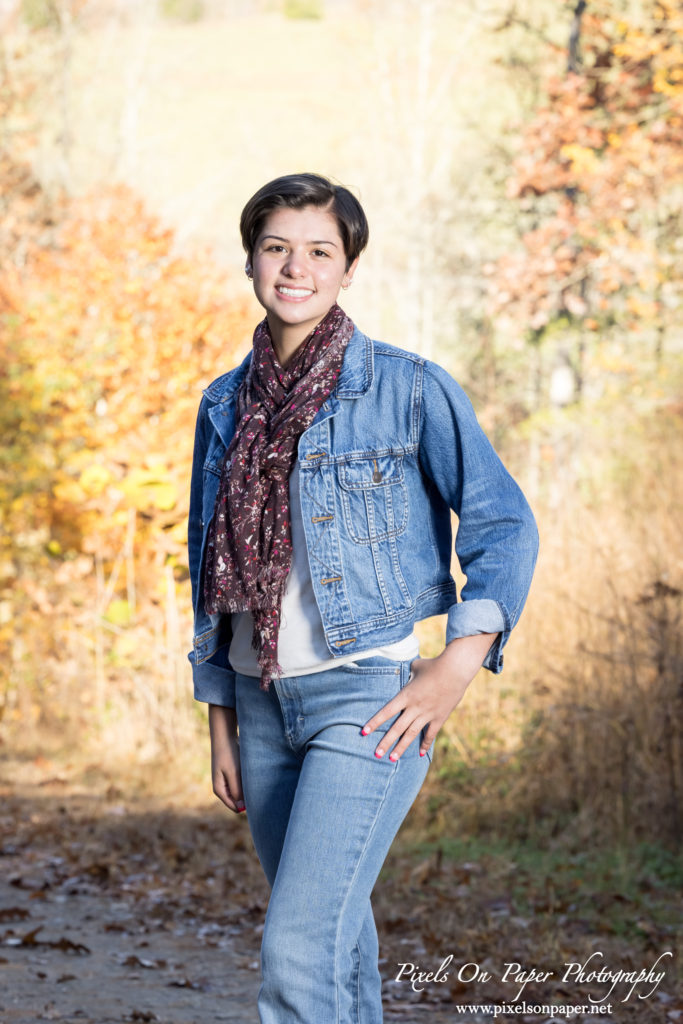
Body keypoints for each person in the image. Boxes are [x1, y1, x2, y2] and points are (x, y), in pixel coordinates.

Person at [187, 172, 538, 1024]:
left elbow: (503, 523)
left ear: (348, 269)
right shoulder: (224, 403)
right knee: (334, 939)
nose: (294, 267)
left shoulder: (407, 388)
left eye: (318, 251)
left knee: (298, 945)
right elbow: (207, 568)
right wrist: (221, 717)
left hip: (369, 701)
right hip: (260, 705)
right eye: (275, 247)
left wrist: (457, 665)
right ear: (249, 262)